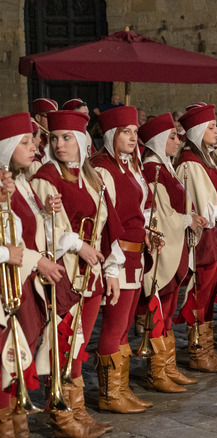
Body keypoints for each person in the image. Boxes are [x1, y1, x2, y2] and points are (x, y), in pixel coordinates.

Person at [31, 109, 124, 436]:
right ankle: (62, 415)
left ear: (82, 140)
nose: (59, 144)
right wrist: (75, 244)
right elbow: (42, 228)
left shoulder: (92, 177)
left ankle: (78, 411)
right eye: (54, 138)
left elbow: (106, 228)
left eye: (67, 138)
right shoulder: (46, 177)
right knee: (62, 343)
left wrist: (111, 269)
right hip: (64, 274)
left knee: (78, 346)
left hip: (92, 275)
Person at [0, 113, 67, 437]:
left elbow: (25, 230)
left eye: (32, 140)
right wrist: (35, 260)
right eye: (24, 142)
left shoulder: (23, 182)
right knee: (7, 353)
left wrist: (46, 213)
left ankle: (17, 421)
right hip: (10, 280)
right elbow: (9, 241)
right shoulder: (4, 184)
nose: (34, 147)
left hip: (24, 279)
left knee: (21, 349)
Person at [92, 106, 158, 413]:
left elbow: (139, 209)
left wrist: (147, 233)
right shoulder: (102, 168)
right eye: (125, 132)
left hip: (136, 254)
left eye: (134, 131)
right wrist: (112, 266)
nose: (133, 137)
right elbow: (107, 221)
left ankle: (120, 387)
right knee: (114, 325)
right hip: (116, 257)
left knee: (125, 325)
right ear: (110, 134)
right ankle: (108, 394)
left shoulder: (133, 166)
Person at [174, 104, 217, 373]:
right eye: (212, 127)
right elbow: (202, 206)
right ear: (199, 131)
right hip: (204, 237)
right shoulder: (190, 163)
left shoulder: (209, 160)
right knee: (199, 294)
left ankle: (207, 349)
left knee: (210, 293)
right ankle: (197, 351)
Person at [139, 113, 205, 391]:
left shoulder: (165, 167)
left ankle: (168, 366)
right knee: (158, 309)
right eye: (172, 137)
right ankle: (158, 372)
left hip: (178, 248)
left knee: (167, 311)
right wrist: (188, 220)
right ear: (157, 140)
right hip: (165, 249)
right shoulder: (153, 170)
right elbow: (159, 217)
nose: (178, 141)